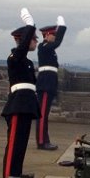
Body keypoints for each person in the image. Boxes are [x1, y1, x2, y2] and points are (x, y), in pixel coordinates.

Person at [0, 10, 39, 178]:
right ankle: (9, 177)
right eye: (32, 38)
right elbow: (21, 49)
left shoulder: (28, 62)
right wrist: (30, 24)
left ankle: (16, 175)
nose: (36, 41)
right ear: (21, 40)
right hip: (18, 104)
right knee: (14, 145)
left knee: (21, 145)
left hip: (27, 104)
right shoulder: (14, 57)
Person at [35, 16, 67, 150]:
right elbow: (58, 42)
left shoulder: (49, 49)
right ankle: (42, 141)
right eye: (53, 35)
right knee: (42, 114)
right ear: (47, 35)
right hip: (46, 83)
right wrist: (62, 27)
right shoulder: (44, 46)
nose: (54, 37)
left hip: (49, 82)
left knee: (44, 113)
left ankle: (44, 139)